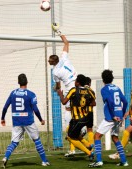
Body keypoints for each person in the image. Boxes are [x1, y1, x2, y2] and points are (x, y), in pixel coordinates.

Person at [0, 74, 50, 168]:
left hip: (17, 121)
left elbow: (5, 107)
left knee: (14, 142)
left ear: (18, 82)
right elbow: (35, 109)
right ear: (27, 82)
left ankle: (5, 157)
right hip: (28, 121)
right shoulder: (31, 94)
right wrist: (41, 120)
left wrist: (2, 118)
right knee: (36, 140)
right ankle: (44, 161)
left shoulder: (13, 93)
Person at [88, 69, 129, 167]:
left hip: (111, 117)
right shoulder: (117, 88)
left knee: (97, 136)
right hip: (118, 115)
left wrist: (114, 115)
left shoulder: (104, 89)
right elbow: (126, 102)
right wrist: (122, 115)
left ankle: (99, 160)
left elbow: (110, 101)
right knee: (115, 138)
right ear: (112, 78)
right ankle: (124, 161)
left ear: (103, 80)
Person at [49, 23, 78, 156]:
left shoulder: (55, 72)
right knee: (78, 111)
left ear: (51, 62)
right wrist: (58, 31)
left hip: (70, 87)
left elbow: (59, 86)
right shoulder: (64, 58)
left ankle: (69, 130)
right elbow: (66, 42)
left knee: (67, 109)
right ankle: (79, 135)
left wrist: (55, 88)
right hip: (79, 83)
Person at [56, 74, 95, 160]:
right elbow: (93, 103)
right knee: (73, 133)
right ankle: (89, 146)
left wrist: (60, 95)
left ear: (78, 83)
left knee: (70, 137)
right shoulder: (88, 91)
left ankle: (89, 152)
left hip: (77, 119)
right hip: (85, 117)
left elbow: (64, 102)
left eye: (76, 80)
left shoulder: (73, 90)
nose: (74, 82)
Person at [84, 76, 96, 145]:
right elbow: (94, 103)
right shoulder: (91, 91)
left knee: (76, 130)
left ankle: (73, 148)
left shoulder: (80, 90)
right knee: (89, 129)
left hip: (81, 113)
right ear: (89, 83)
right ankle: (91, 145)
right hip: (90, 113)